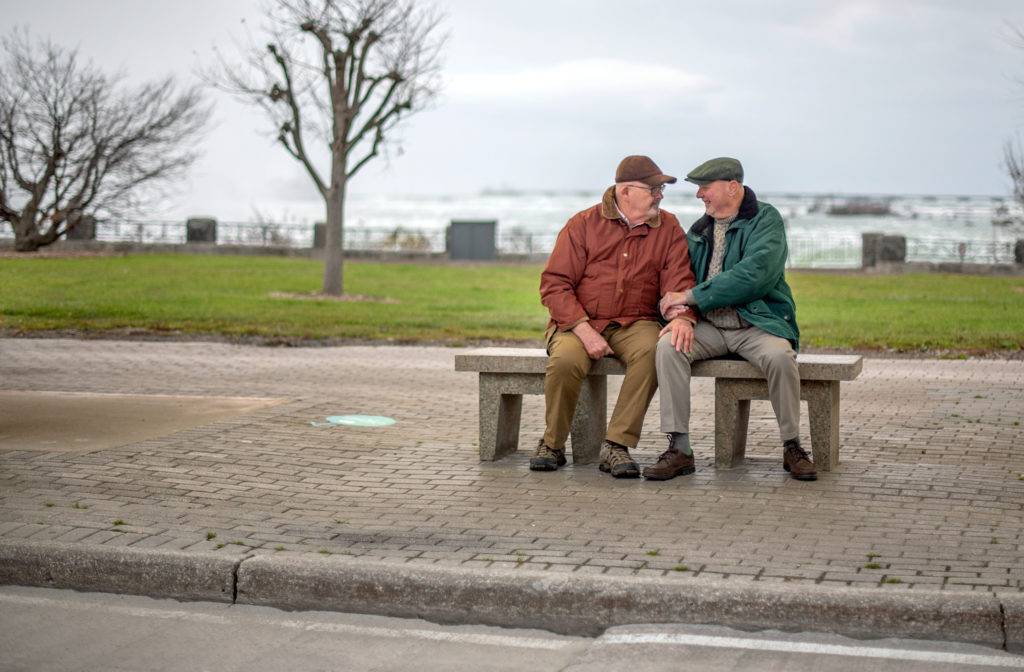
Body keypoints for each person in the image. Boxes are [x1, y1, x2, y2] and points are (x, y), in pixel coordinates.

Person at [646, 157, 817, 481]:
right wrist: (683, 315)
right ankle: (679, 448)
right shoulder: (698, 231)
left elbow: (753, 275)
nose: (699, 195)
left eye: (705, 188)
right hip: (710, 327)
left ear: (733, 187)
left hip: (757, 324)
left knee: (781, 358)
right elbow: (681, 277)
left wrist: (692, 296)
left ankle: (792, 445)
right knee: (669, 348)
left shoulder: (765, 219)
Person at [534, 155, 697, 478]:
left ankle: (616, 445)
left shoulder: (669, 227)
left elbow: (678, 282)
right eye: (654, 188)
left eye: (661, 188)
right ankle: (552, 444)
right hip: (579, 322)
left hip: (636, 323)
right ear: (625, 191)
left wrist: (681, 317)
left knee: (655, 351)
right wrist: (583, 329)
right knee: (565, 360)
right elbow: (555, 285)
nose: (660, 195)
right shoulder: (582, 224)